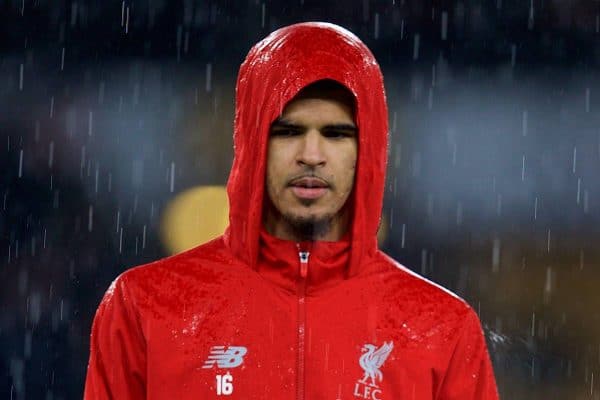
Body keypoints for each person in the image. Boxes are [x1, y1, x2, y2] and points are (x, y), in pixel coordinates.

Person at [83, 22, 499, 400]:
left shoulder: (440, 327)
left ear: (367, 150)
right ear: (250, 143)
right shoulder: (144, 307)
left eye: (336, 134)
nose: (311, 155)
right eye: (288, 131)